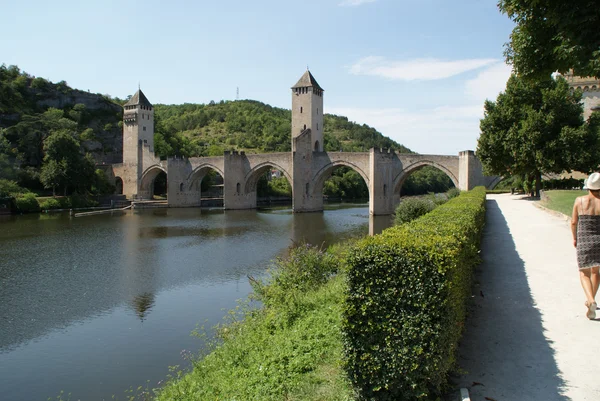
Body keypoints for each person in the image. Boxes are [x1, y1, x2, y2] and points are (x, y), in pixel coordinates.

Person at [571, 172, 600, 319]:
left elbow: (574, 222)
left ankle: (591, 300)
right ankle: (591, 303)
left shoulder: (579, 200)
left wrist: (575, 238)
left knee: (584, 272)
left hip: (584, 239)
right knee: (596, 271)